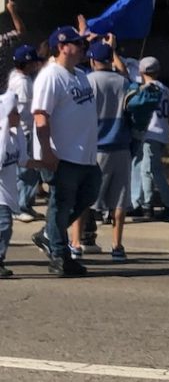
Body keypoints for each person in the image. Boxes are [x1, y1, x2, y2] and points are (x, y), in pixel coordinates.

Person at [30, 26, 101, 277]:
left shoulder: (80, 75)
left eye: (82, 44)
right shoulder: (51, 76)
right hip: (62, 155)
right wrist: (46, 151)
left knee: (89, 193)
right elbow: (41, 116)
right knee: (61, 204)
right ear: (62, 47)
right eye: (77, 44)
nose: (82, 48)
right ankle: (59, 256)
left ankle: (50, 234)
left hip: (85, 154)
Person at [83, 39, 133, 262]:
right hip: (121, 145)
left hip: (97, 146)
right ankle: (117, 245)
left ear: (93, 60)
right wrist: (114, 51)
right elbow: (128, 79)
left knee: (86, 198)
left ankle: (76, 242)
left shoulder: (88, 82)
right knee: (120, 199)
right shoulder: (122, 82)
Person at [128, 57, 169, 218]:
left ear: (142, 72)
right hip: (161, 131)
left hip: (150, 132)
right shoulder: (165, 89)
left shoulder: (146, 88)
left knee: (147, 170)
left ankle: (149, 204)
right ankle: (142, 201)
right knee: (147, 168)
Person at [7, 44, 43, 222]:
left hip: (22, 130)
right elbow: (21, 110)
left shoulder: (16, 76)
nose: (36, 65)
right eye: (34, 62)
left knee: (26, 170)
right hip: (24, 130)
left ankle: (25, 204)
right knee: (28, 171)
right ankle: (19, 206)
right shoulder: (22, 83)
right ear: (26, 64)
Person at [0, 92, 27, 278]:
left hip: (8, 194)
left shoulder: (12, 137)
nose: (19, 116)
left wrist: (47, 163)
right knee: (4, 226)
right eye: (15, 112)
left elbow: (22, 161)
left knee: (5, 228)